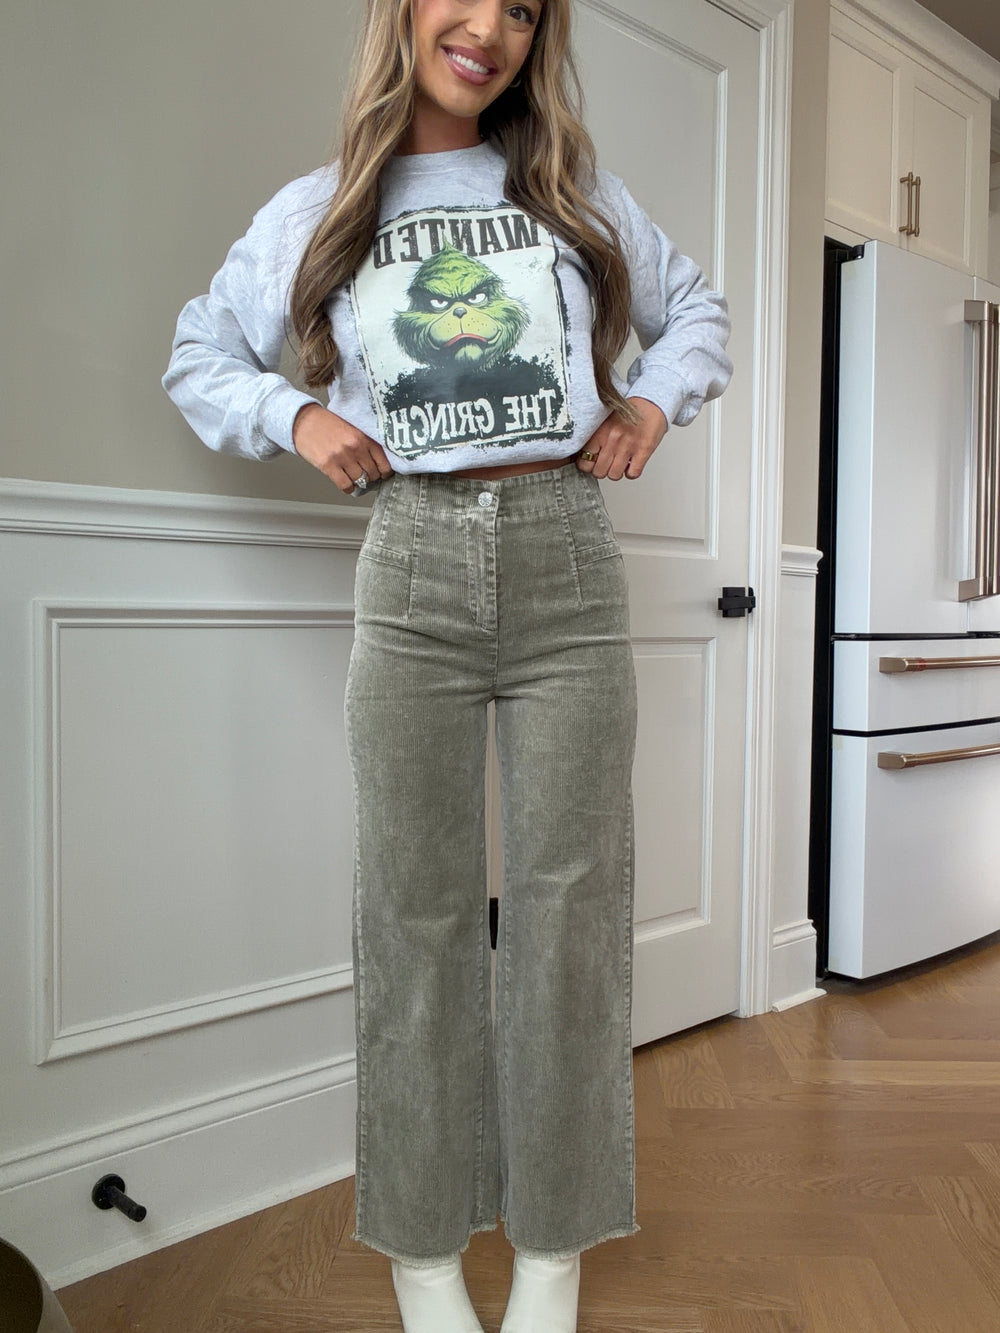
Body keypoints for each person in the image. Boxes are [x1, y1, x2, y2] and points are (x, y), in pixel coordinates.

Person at [163, 1, 732, 1328]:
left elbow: (696, 311)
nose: (490, 30)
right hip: (411, 558)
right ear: (404, 13)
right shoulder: (322, 207)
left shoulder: (572, 193)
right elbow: (199, 351)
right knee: (412, 918)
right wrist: (295, 414)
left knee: (568, 923)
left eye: (523, 10)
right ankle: (423, 1260)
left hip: (565, 557)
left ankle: (552, 1255)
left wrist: (652, 401)